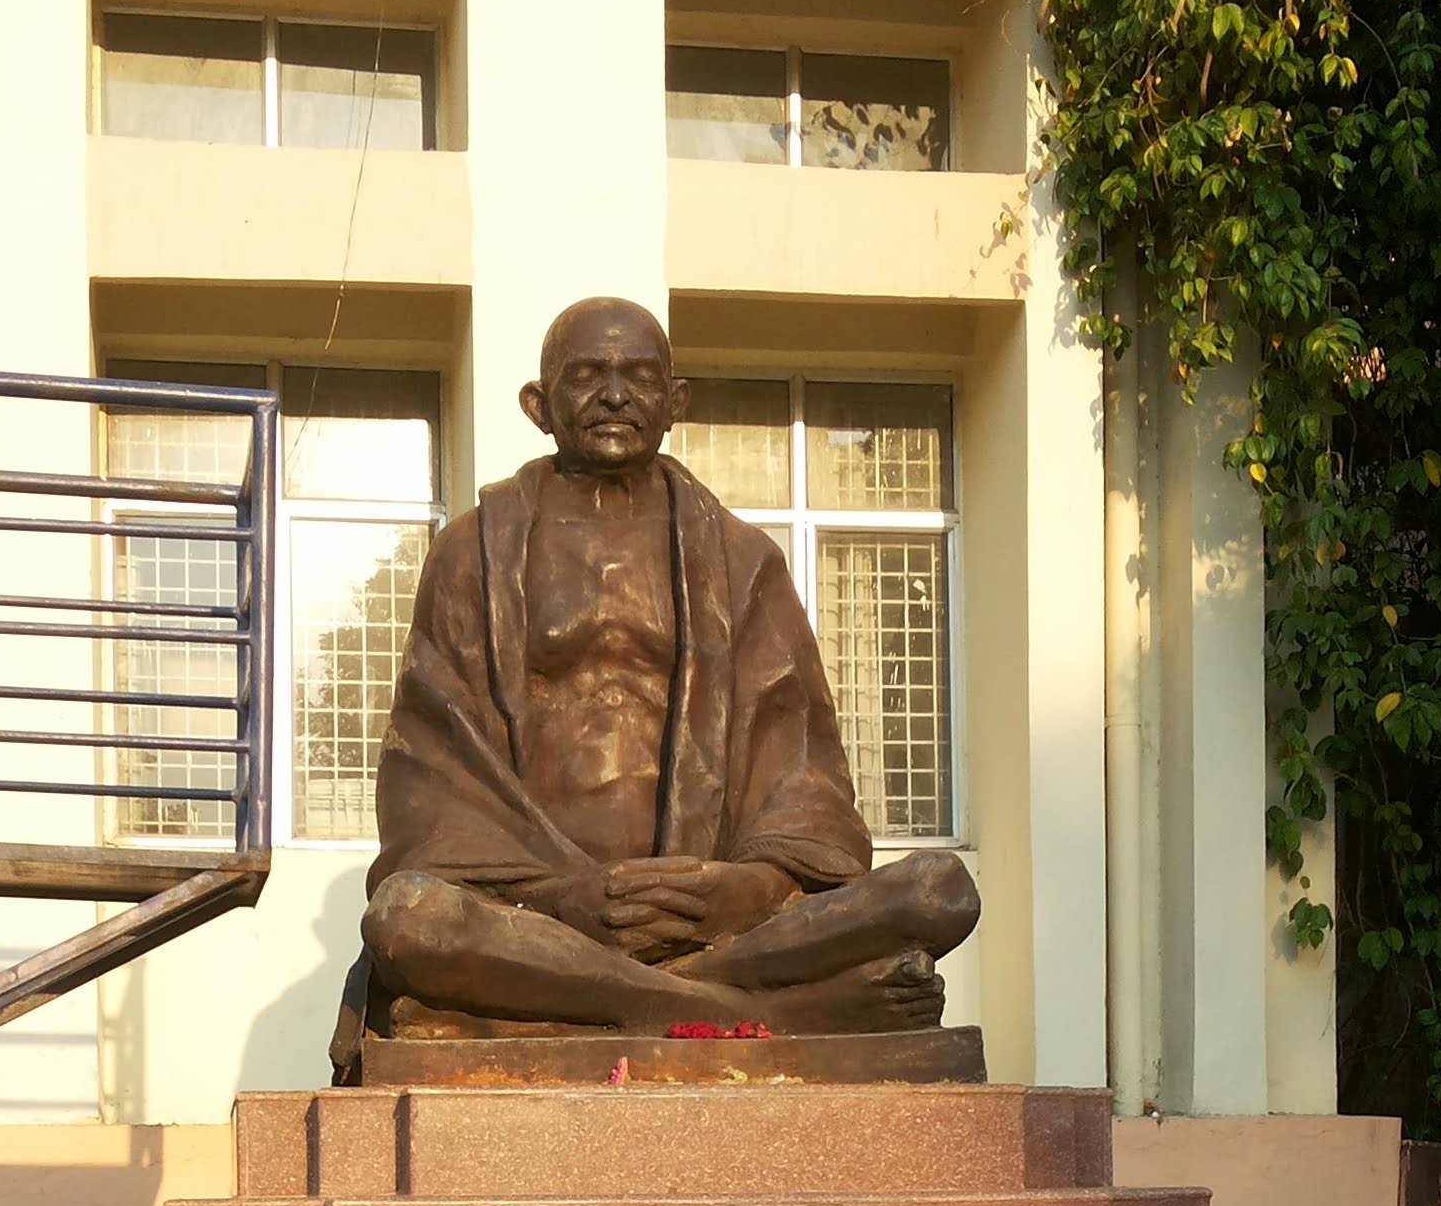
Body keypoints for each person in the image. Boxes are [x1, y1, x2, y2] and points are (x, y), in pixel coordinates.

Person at [342, 296, 977, 1062]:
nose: (615, 394)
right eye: (587, 375)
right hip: (539, 915)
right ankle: (756, 1008)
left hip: (721, 915)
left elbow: (802, 770)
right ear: (538, 406)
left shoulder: (744, 561)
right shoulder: (472, 556)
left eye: (639, 376)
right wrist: (557, 898)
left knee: (939, 890)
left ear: (676, 402)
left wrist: (745, 889)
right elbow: (435, 774)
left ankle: (617, 997)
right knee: (410, 919)